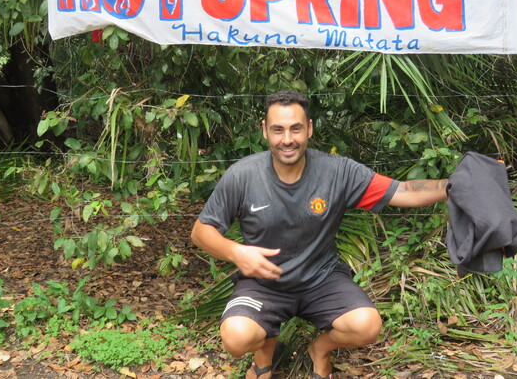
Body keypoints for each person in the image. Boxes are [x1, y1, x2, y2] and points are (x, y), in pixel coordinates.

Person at [191, 91, 448, 379]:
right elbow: (201, 232)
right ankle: (266, 351)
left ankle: (320, 349)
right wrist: (236, 252)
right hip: (263, 285)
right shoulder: (243, 175)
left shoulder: (337, 171)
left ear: (309, 128)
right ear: (264, 130)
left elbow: (402, 191)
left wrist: (454, 186)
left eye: (295, 128)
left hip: (322, 278)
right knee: (237, 338)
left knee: (367, 325)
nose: (287, 139)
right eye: (278, 129)